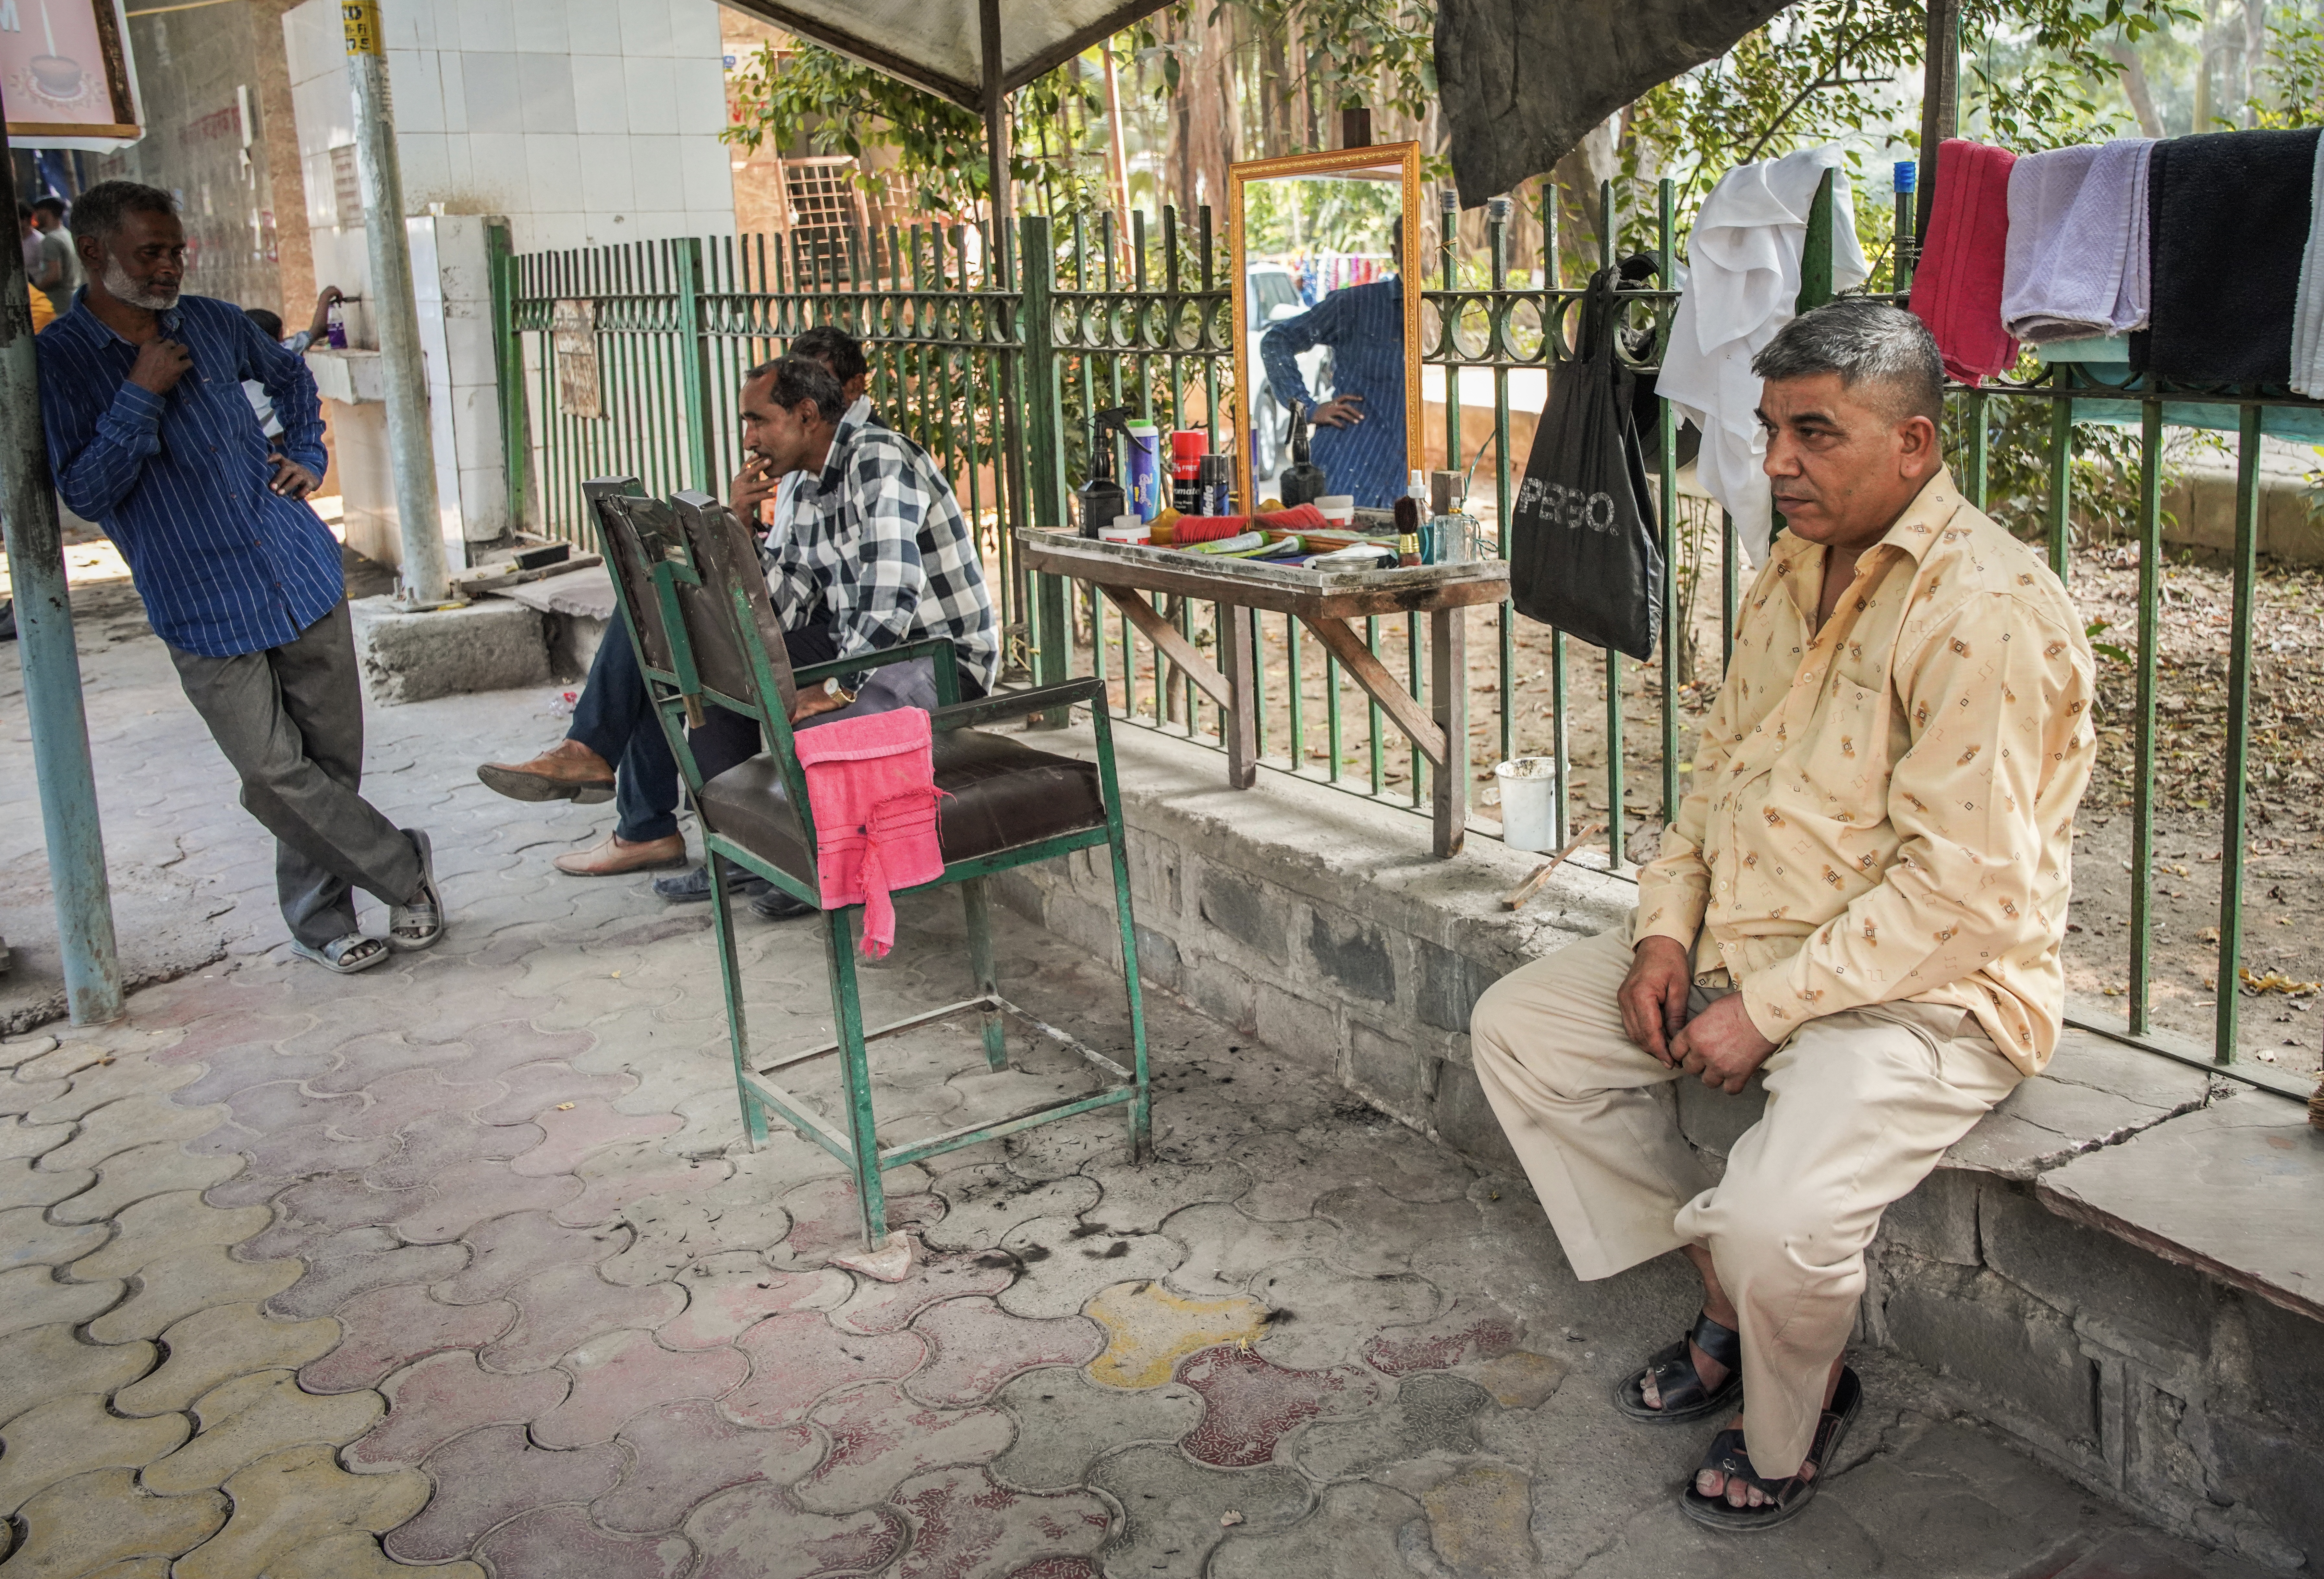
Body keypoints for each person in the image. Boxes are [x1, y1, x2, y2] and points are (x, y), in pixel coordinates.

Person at [1466, 300, 2096, 1531]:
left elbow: (1959, 890)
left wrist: (1766, 1008)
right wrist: (1663, 933)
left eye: (1817, 433)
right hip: (1754, 936)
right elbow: (1719, 771)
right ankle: (1724, 1295)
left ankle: (1788, 1424)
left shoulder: (1988, 611)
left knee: (1778, 1218)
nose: (1779, 463)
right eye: (1769, 430)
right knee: (1523, 1031)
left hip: (1931, 990)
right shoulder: (1792, 565)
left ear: (1915, 444)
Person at [36, 180, 445, 975]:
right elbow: (84, 493)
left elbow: (292, 377)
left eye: (176, 250)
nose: (169, 267)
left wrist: (309, 456)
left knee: (328, 767)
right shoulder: (59, 362)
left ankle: (320, 920)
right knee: (270, 771)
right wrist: (139, 394)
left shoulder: (217, 323)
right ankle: (403, 863)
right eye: (149, 252)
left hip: (296, 570)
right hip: (198, 599)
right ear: (93, 252)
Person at [481, 334, 998, 920]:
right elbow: (788, 601)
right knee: (693, 646)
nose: (748, 438)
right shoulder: (804, 479)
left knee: (812, 720)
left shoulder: (879, 459)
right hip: (854, 642)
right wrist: (738, 527)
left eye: (759, 420)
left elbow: (891, 602)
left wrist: (832, 689)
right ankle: (725, 837)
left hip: (931, 657)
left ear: (807, 415)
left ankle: (802, 858)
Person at [1259, 266, 1405, 508]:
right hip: (1348, 466)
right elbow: (1277, 342)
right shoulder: (1358, 304)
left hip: (1401, 477)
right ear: (1397, 251)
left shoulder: (1442, 309)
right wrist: (1305, 407)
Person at [243, 287, 343, 436]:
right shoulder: (282, 353)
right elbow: (318, 329)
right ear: (277, 337)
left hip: (254, 440)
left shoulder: (235, 361)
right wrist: (326, 296)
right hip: (280, 438)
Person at [30, 196, 78, 319]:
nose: (35, 217)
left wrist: (35, 292)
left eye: (38, 212)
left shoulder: (51, 240)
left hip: (58, 306)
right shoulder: (66, 234)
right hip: (72, 300)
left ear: (46, 212)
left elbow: (54, 276)